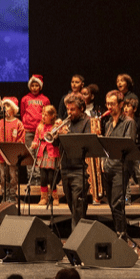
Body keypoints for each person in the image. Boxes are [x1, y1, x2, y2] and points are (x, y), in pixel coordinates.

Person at [101, 90, 136, 238]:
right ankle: (118, 233)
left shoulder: (129, 122)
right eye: (108, 104)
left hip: (120, 168)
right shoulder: (108, 123)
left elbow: (128, 144)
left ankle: (122, 236)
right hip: (108, 168)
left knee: (117, 204)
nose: (109, 107)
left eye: (113, 104)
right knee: (112, 205)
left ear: (121, 105)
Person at [58, 93, 93, 226]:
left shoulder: (87, 122)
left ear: (81, 109)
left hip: (80, 170)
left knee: (78, 207)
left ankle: (76, 241)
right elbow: (57, 145)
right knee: (72, 206)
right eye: (68, 109)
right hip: (65, 168)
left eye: (72, 109)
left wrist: (68, 134)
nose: (69, 112)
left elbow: (86, 144)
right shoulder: (66, 122)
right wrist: (57, 135)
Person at [0, 97, 24, 203]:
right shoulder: (0, 123)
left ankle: (13, 194)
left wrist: (15, 152)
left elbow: (21, 140)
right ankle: (5, 194)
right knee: (3, 175)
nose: (5, 108)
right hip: (1, 156)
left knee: (13, 175)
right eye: (4, 106)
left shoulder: (18, 124)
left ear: (13, 109)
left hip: (13, 156)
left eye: (8, 106)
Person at [21, 74, 50, 187]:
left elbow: (47, 114)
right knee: (30, 154)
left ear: (40, 87)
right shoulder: (25, 99)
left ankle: (39, 178)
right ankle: (31, 177)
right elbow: (23, 113)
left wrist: (42, 126)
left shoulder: (45, 100)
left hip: (40, 131)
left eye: (36, 85)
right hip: (28, 130)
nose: (34, 88)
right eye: (32, 85)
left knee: (39, 154)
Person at [31, 105, 61, 206]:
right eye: (43, 114)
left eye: (46, 115)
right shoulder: (39, 127)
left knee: (51, 177)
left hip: (51, 153)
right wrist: (34, 144)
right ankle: (44, 198)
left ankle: (55, 197)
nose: (43, 116)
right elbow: (36, 138)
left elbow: (57, 140)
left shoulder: (54, 127)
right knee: (43, 177)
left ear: (52, 116)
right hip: (42, 153)